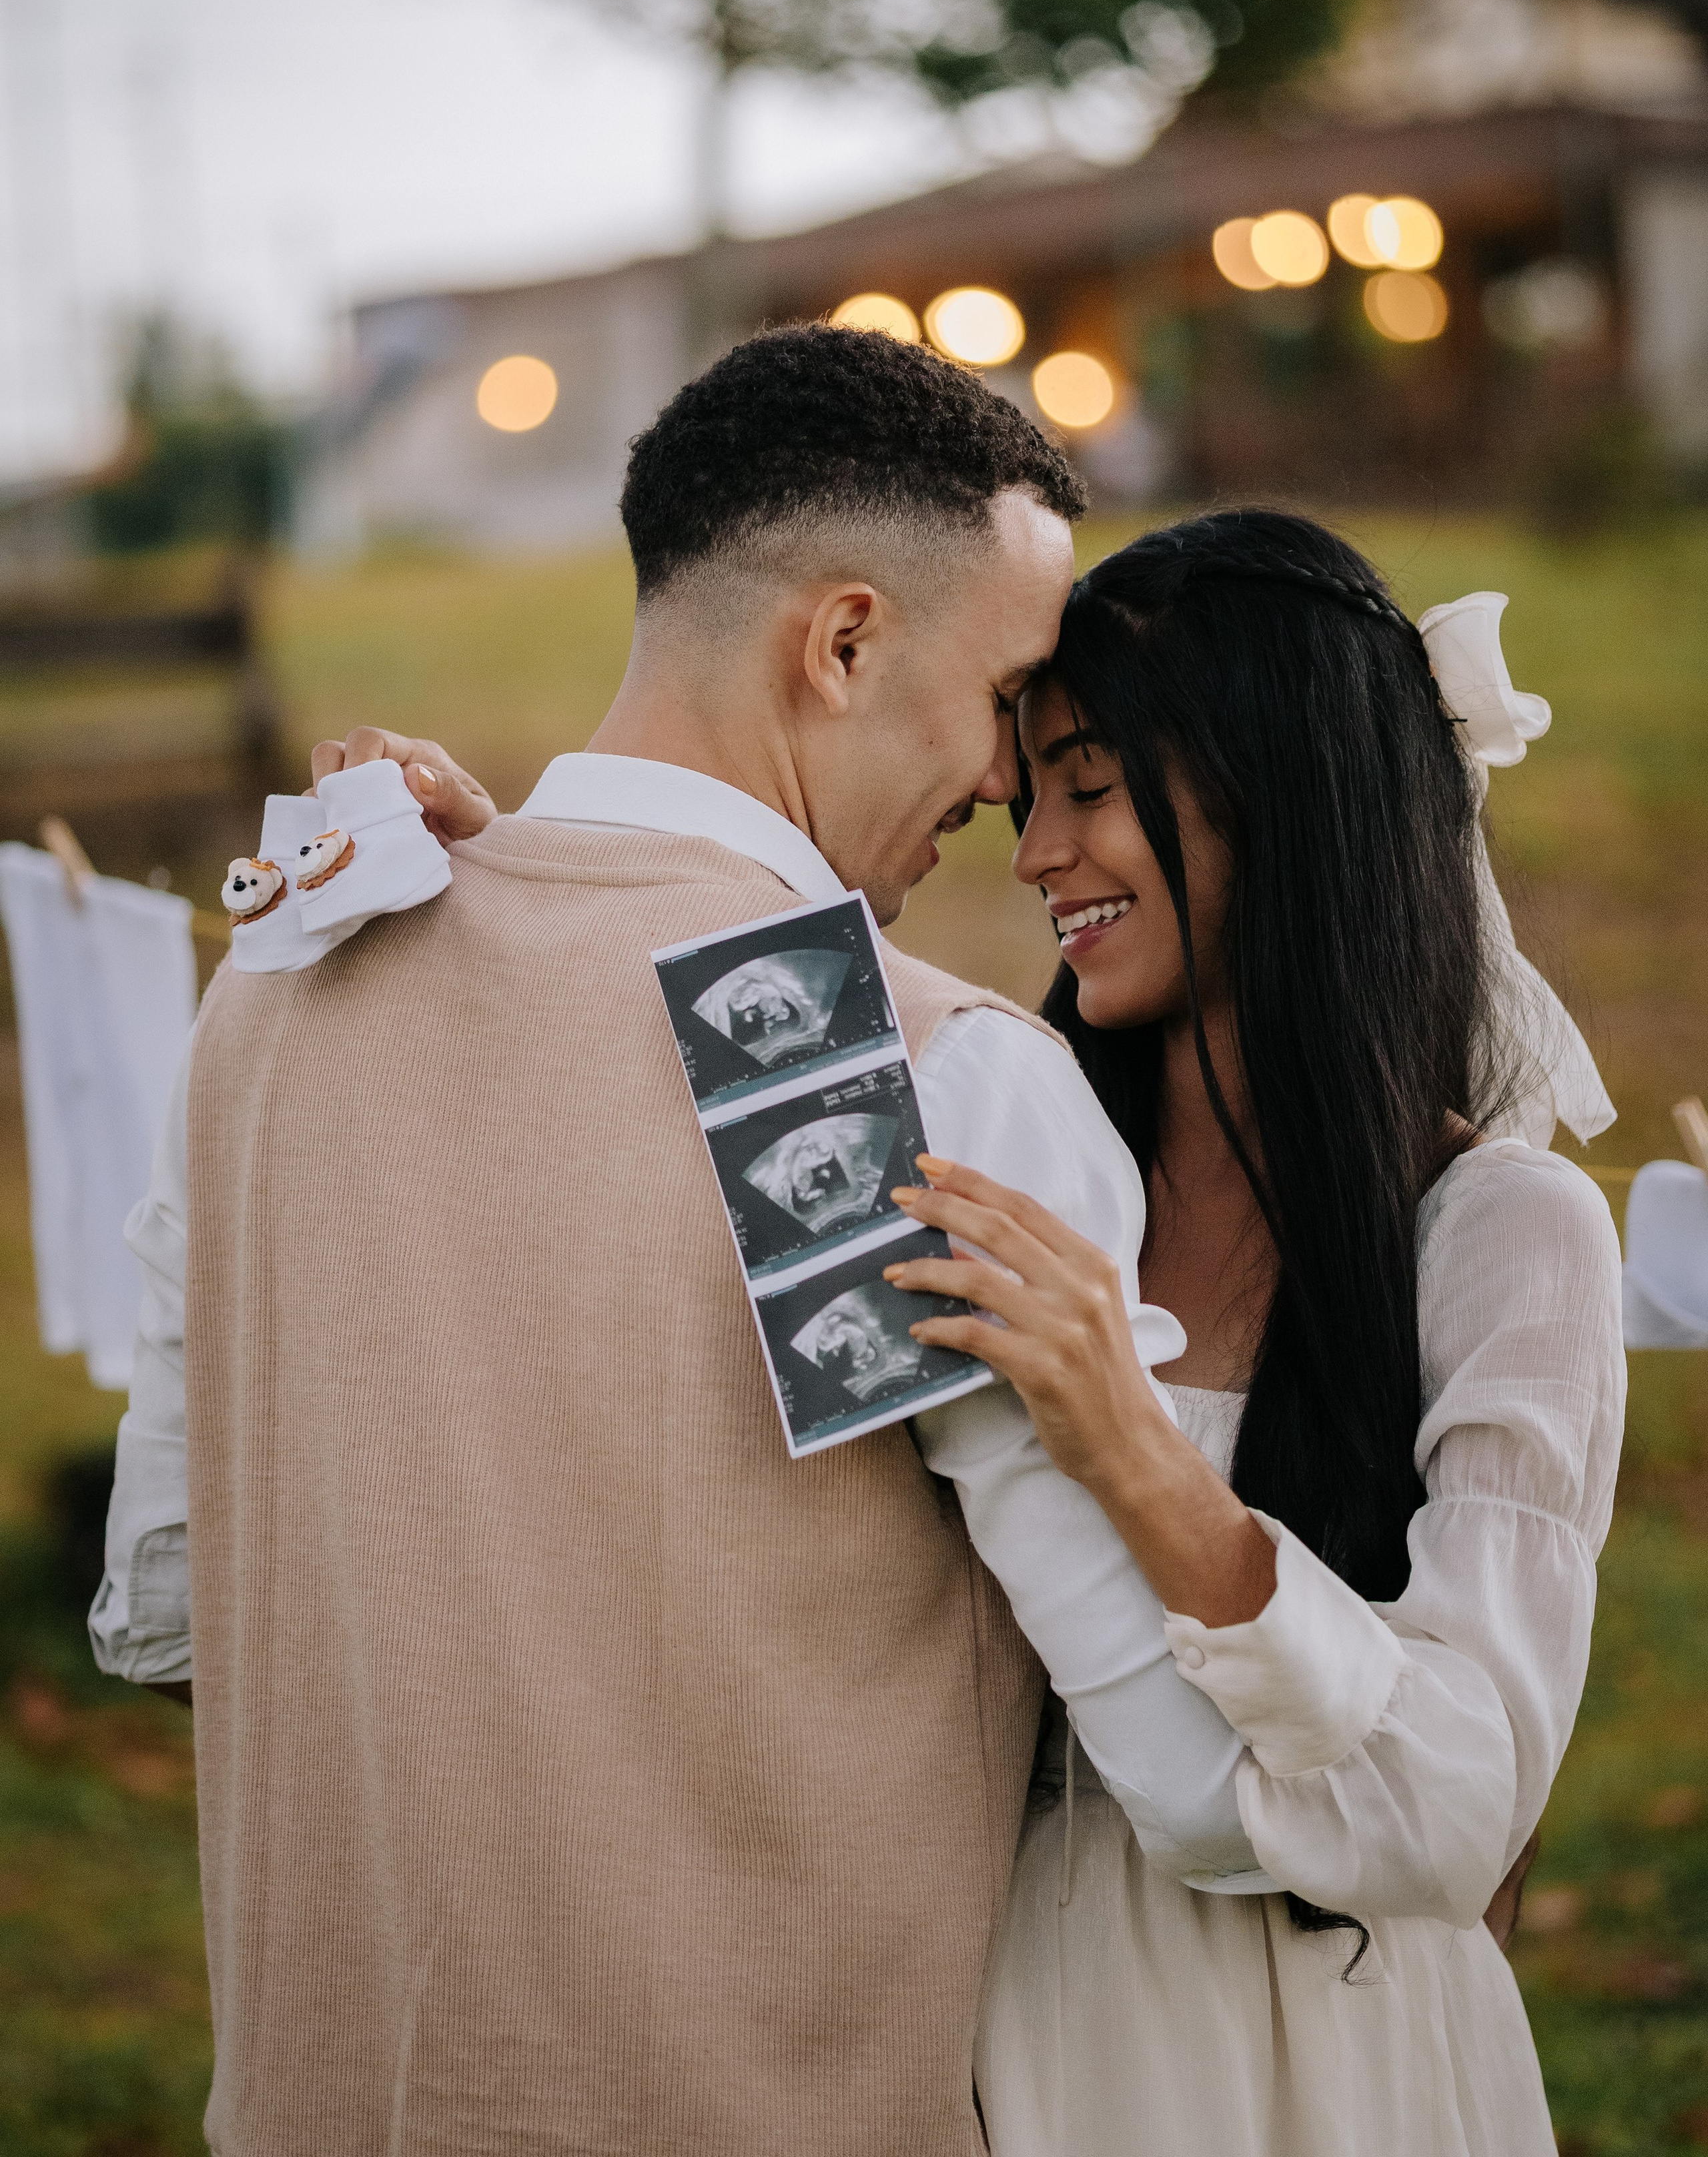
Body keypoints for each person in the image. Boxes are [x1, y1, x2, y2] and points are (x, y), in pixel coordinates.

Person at [93, 328, 1278, 2157]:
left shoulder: (275, 985)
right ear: (849, 642)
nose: (1006, 792)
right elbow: (1181, 1777)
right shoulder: (936, 1074)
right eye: (1005, 701)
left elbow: (173, 1604)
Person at [880, 510, 1626, 2157]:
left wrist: (1128, 1444)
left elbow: (1454, 1804)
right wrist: (496, 872)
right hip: (1008, 2022)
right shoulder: (1042, 1168)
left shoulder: (1501, 1237)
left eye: (1087, 786)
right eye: (1028, 800)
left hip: (1324, 2055)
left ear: (1276, 787)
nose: (1033, 856)